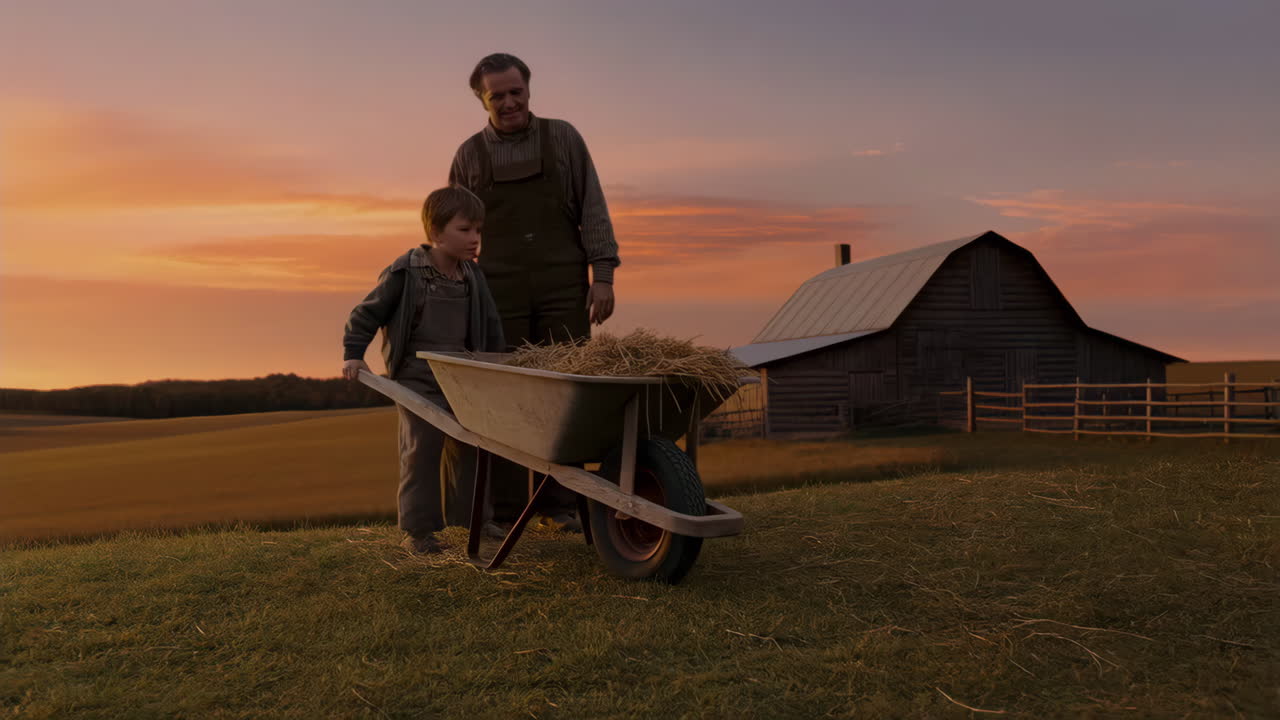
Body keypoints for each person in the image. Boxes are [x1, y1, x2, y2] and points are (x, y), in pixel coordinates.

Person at [449, 52, 621, 531]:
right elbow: (454, 231)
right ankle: (505, 512)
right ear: (481, 100)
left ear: (529, 89)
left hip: (564, 286)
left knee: (566, 397)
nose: (508, 103)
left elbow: (593, 205)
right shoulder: (469, 156)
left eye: (515, 92)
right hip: (494, 292)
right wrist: (455, 294)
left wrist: (602, 275)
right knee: (509, 399)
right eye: (496, 96)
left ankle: (562, 506)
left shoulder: (563, 138)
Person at [342, 186, 506, 554]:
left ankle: (473, 522)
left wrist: (499, 367)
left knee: (472, 448)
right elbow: (365, 314)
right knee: (422, 450)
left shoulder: (472, 277)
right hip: (417, 379)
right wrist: (354, 353)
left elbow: (491, 324)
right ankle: (419, 532)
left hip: (463, 378)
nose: (475, 239)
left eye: (478, 230)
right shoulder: (407, 272)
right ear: (436, 232)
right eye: (465, 230)